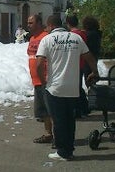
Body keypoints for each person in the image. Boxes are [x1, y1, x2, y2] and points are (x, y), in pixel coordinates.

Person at [36, 15, 99, 161]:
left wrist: (43, 81)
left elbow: (39, 63)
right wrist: (94, 72)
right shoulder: (76, 38)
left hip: (55, 87)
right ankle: (69, 149)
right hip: (72, 87)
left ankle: (62, 152)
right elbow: (89, 57)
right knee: (70, 120)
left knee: (58, 120)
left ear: (50, 25)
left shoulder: (47, 39)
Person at [26, 15, 52, 145]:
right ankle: (49, 134)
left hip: (46, 80)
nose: (28, 25)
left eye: (31, 23)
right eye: (28, 23)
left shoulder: (46, 37)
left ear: (39, 23)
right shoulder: (32, 38)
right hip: (37, 81)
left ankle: (58, 136)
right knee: (43, 111)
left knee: (51, 110)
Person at [65, 14, 89, 118]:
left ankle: (80, 110)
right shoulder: (83, 34)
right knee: (78, 87)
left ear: (68, 23)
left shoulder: (71, 35)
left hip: (73, 64)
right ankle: (84, 108)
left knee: (75, 89)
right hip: (81, 62)